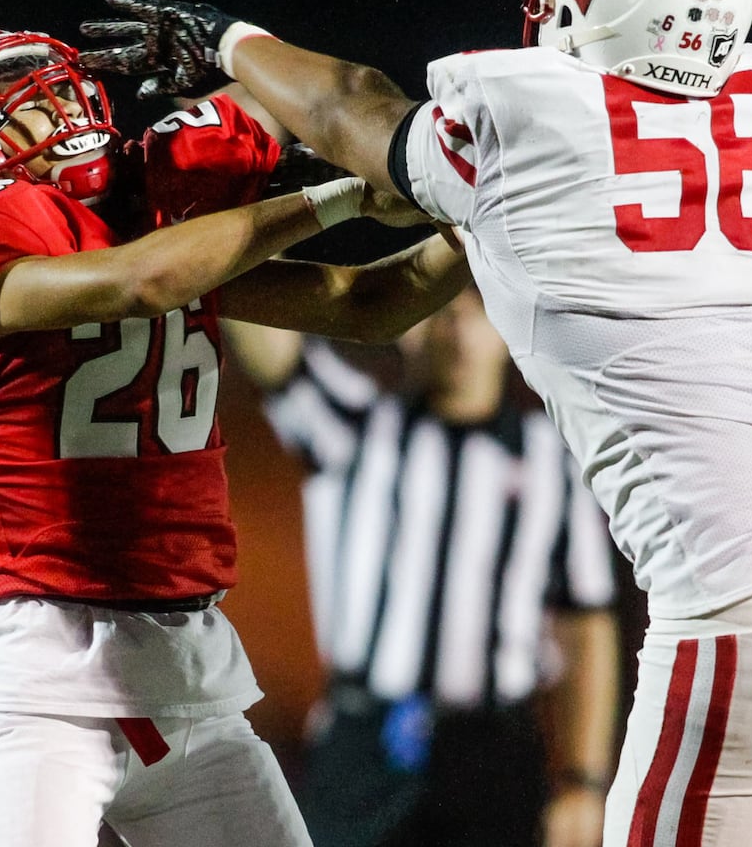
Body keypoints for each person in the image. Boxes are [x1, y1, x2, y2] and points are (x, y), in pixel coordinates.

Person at [78, 0, 752, 847]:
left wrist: (230, 40)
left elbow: (351, 107)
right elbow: (392, 276)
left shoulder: (532, 121)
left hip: (751, 607)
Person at [0, 28, 471, 847]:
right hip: (42, 671)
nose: (51, 106)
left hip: (190, 672)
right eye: (11, 103)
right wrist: (339, 197)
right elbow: (141, 282)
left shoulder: (160, 217)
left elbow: (368, 301)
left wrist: (482, 210)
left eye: (52, 86)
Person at [222, 283, 620, 847]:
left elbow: (586, 626)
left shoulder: (551, 460)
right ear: (406, 322)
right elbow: (271, 348)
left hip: (493, 750)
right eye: (438, 310)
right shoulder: (356, 427)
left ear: (508, 327)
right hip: (365, 737)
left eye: (477, 311)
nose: (456, 328)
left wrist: (582, 779)